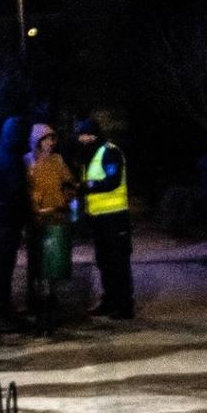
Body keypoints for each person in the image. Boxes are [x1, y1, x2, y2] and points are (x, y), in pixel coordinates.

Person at [75, 117, 134, 319]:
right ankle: (110, 300)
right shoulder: (91, 155)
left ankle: (124, 305)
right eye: (81, 136)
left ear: (94, 135)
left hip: (115, 217)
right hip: (99, 219)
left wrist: (87, 186)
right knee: (105, 262)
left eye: (85, 135)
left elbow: (112, 181)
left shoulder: (109, 152)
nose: (82, 139)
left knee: (118, 262)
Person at [0, 116, 32, 331]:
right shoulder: (12, 159)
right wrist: (26, 214)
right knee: (4, 264)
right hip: (9, 217)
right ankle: (1, 309)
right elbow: (17, 191)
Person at [25, 122, 76, 333]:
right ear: (37, 141)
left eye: (52, 139)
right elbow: (26, 188)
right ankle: (39, 304)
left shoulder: (57, 160)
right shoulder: (28, 161)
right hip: (38, 219)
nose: (50, 143)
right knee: (39, 263)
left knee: (54, 263)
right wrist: (34, 206)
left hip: (56, 215)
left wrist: (67, 196)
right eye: (46, 139)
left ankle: (51, 302)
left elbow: (69, 181)